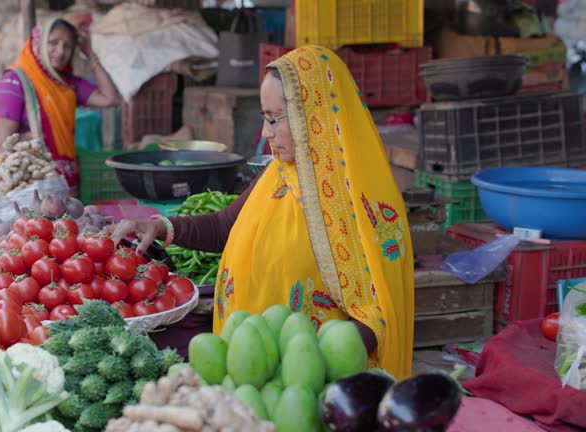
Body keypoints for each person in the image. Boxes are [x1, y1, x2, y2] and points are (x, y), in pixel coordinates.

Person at [107, 46, 415, 378]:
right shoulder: (280, 174)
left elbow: (377, 318)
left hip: (313, 385)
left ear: (313, 115)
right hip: (255, 373)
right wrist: (161, 226)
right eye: (263, 117)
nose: (266, 133)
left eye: (273, 118)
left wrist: (303, 362)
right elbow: (226, 225)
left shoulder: (359, 203)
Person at [0, 17, 119, 190]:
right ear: (38, 43)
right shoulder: (14, 81)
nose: (60, 51)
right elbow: (5, 144)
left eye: (67, 46)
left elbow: (110, 98)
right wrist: (32, 139)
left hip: (66, 184)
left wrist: (90, 54)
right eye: (53, 43)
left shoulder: (66, 83)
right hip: (30, 184)